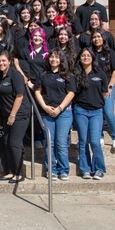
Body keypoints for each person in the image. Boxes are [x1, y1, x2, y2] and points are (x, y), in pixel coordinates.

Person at [34, 49, 76, 181]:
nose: (54, 59)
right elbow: (37, 92)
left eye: (57, 57)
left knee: (61, 143)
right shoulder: (43, 75)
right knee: (49, 143)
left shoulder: (67, 76)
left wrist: (60, 108)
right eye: (51, 57)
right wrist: (45, 107)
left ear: (61, 60)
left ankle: (64, 170)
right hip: (47, 113)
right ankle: (51, 169)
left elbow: (71, 93)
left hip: (64, 113)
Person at [0, 50, 30, 183]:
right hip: (5, 114)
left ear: (9, 61)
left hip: (19, 115)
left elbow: (19, 96)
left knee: (14, 143)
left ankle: (19, 174)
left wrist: (13, 115)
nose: (1, 63)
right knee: (6, 143)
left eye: (3, 60)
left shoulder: (15, 75)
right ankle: (10, 171)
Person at [73, 48, 109, 180]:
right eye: (83, 55)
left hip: (96, 112)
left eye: (88, 55)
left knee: (94, 141)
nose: (86, 57)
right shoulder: (76, 74)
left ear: (93, 58)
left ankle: (99, 168)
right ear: (79, 58)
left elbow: (105, 92)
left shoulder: (100, 74)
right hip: (80, 110)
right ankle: (85, 169)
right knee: (83, 141)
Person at [91, 29, 115, 149]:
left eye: (98, 37)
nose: (96, 39)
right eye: (94, 37)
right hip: (94, 88)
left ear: (103, 38)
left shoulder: (110, 53)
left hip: (107, 86)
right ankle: (99, 136)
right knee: (97, 113)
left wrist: (110, 87)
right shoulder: (90, 52)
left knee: (108, 113)